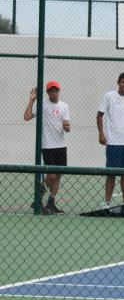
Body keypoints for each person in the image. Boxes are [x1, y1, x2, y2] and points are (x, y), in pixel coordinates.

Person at [23, 80, 70, 214]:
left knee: (59, 174)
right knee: (52, 176)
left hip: (61, 145)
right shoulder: (42, 104)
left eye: (56, 90)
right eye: (51, 90)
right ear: (47, 92)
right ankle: (38, 199)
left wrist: (67, 127)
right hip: (47, 145)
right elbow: (26, 117)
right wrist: (32, 99)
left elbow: (67, 126)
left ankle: (51, 203)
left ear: (59, 91)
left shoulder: (64, 106)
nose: (54, 93)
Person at [97, 72, 124, 208]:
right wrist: (101, 134)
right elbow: (99, 115)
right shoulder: (109, 96)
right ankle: (107, 202)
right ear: (118, 82)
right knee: (111, 174)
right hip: (113, 142)